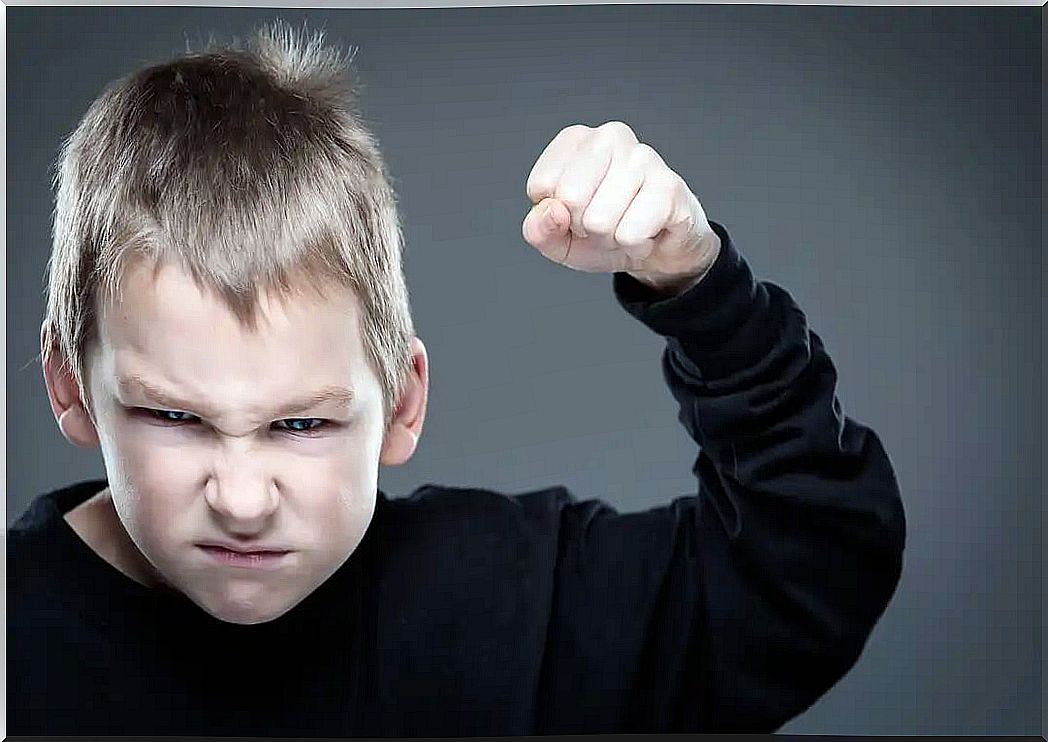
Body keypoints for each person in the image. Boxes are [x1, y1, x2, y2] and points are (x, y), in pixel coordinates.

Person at [8, 20, 906, 737]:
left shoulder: (508, 609)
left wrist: (698, 285)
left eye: (301, 425)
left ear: (402, 402)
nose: (242, 499)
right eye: (174, 415)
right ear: (69, 385)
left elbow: (810, 574)